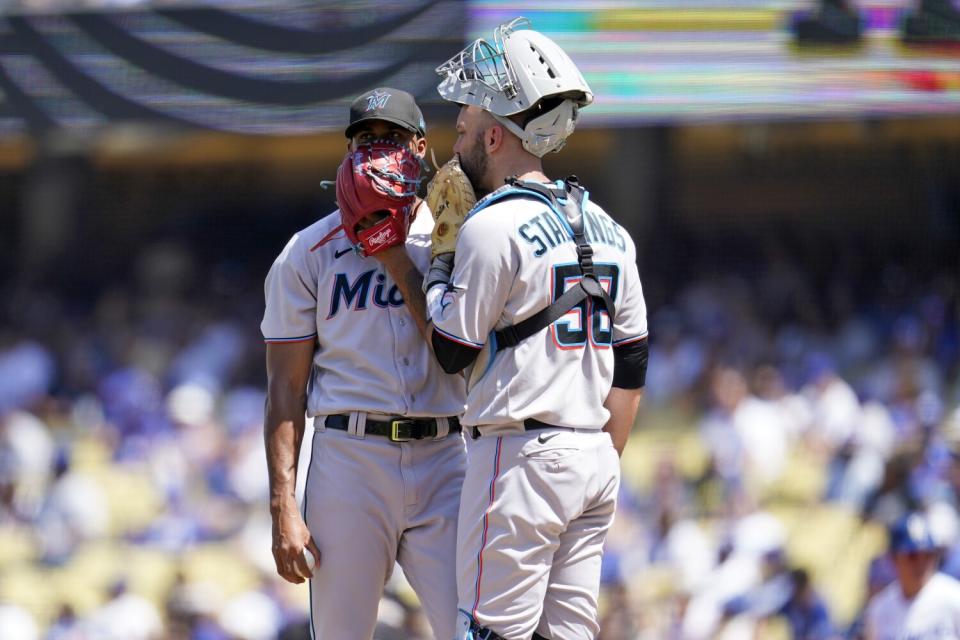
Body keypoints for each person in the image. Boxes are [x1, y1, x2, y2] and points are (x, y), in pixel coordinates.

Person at [375, 19, 648, 640]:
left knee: (490, 633)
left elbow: (450, 350)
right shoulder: (611, 228)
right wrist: (597, 455)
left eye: (466, 129)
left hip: (520, 455)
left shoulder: (490, 225)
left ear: (496, 136)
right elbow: (631, 366)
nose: (458, 141)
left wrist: (438, 253)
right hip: (594, 456)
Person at [261, 87, 467, 640]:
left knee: (478, 628)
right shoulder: (308, 251)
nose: (378, 150)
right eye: (365, 140)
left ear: (421, 148)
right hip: (350, 459)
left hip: (446, 455)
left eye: (393, 139)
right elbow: (285, 391)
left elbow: (464, 355)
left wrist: (393, 250)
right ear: (347, 154)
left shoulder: (458, 241)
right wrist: (283, 504)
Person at [863, 511, 960, 639]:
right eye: (912, 556)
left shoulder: (954, 597)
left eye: (927, 555)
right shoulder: (880, 608)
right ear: (893, 559)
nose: (921, 563)